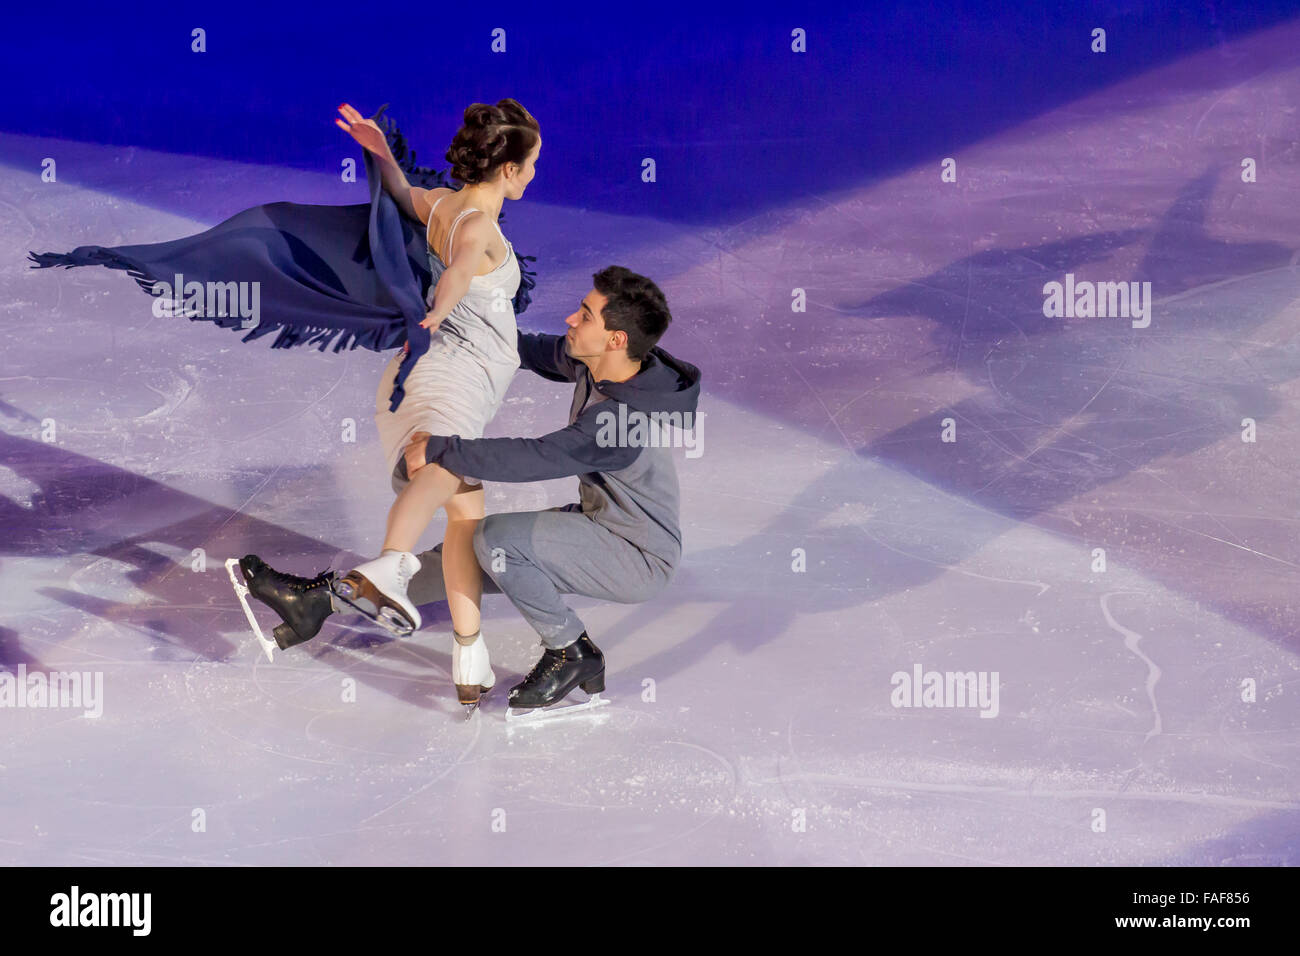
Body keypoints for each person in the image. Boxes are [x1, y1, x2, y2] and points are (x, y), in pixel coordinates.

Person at [240, 266, 702, 714]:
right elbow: (519, 348)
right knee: (463, 554)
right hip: (602, 525)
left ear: (616, 339)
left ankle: (571, 651)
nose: (570, 320)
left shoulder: (621, 422)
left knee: (494, 539)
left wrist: (445, 449)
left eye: (584, 315)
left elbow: (536, 457)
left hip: (636, 555)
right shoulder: (604, 363)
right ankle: (320, 601)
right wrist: (453, 328)